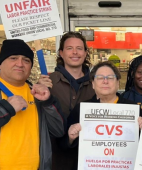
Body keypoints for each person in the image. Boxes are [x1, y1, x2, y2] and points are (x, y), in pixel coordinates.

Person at [61, 61, 142, 170]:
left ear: (117, 83)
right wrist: (70, 138)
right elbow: (63, 145)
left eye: (110, 78)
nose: (105, 81)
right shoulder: (82, 110)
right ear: (93, 83)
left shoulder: (133, 109)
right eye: (100, 77)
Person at [0, 39, 65, 169]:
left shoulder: (37, 93)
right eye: (13, 58)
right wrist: (6, 108)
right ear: (0, 63)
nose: (20, 64)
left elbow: (58, 130)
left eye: (26, 60)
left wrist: (48, 102)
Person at [38, 31, 95, 170]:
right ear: (61, 53)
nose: (75, 52)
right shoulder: (48, 83)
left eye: (79, 48)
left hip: (90, 158)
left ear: (86, 53)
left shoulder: (97, 84)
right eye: (69, 48)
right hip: (55, 159)